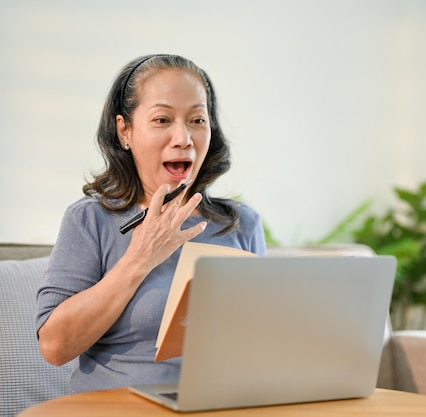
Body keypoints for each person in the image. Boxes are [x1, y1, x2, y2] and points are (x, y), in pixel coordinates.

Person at [35, 54, 266, 393]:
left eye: (197, 120)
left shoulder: (241, 224)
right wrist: (140, 257)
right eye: (162, 120)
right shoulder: (89, 220)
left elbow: (260, 343)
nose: (183, 138)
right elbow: (55, 348)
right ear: (124, 131)